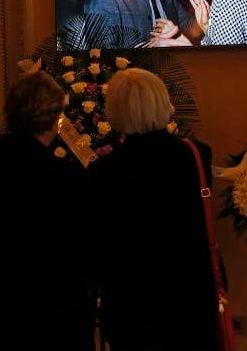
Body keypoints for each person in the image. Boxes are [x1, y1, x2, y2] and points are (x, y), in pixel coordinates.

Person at [0, 70, 96, 351]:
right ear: (54, 120)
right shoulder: (69, 178)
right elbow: (83, 255)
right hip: (53, 322)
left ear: (9, 112)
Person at [87, 68, 218, 350]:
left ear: (115, 110)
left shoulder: (104, 172)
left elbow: (102, 247)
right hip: (193, 297)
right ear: (162, 102)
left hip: (132, 309)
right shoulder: (197, 155)